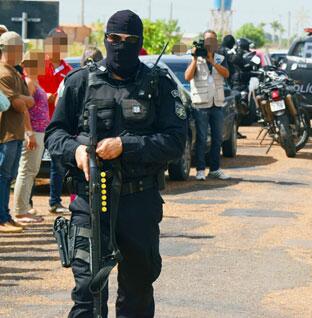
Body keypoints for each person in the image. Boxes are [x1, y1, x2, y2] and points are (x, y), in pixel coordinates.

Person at [44, 10, 187, 316]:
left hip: (139, 203)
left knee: (136, 293)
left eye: (129, 40)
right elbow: (54, 133)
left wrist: (126, 145)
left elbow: (176, 141)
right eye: (114, 39)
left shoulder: (158, 84)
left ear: (140, 42)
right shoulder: (81, 81)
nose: (120, 45)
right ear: (105, 39)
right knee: (87, 295)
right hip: (89, 202)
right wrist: (76, 152)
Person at [0, 31, 35, 233]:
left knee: (8, 177)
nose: (22, 53)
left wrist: (24, 101)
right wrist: (23, 100)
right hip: (6, 133)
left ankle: (6, 216)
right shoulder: (3, 73)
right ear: (9, 50)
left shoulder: (14, 71)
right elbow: (17, 103)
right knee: (3, 177)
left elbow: (28, 101)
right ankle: (2, 218)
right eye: (19, 49)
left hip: (16, 132)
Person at [185, 29, 231, 181]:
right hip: (201, 104)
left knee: (218, 138)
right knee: (201, 138)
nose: (210, 44)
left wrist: (212, 62)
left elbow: (226, 74)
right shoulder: (196, 58)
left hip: (216, 103)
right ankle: (200, 170)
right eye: (207, 41)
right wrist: (193, 58)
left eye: (213, 40)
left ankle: (215, 169)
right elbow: (187, 77)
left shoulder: (220, 58)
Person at [13, 51, 50, 224]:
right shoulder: (28, 82)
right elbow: (24, 109)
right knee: (26, 170)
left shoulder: (34, 82)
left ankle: (24, 208)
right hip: (33, 132)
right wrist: (29, 133)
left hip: (39, 131)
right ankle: (20, 211)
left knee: (31, 171)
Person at [38, 27, 73, 214]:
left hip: (56, 125)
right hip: (36, 122)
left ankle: (55, 201)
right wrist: (45, 95)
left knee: (57, 164)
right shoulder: (37, 62)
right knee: (31, 166)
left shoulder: (68, 70)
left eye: (63, 42)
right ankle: (25, 204)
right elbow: (27, 82)